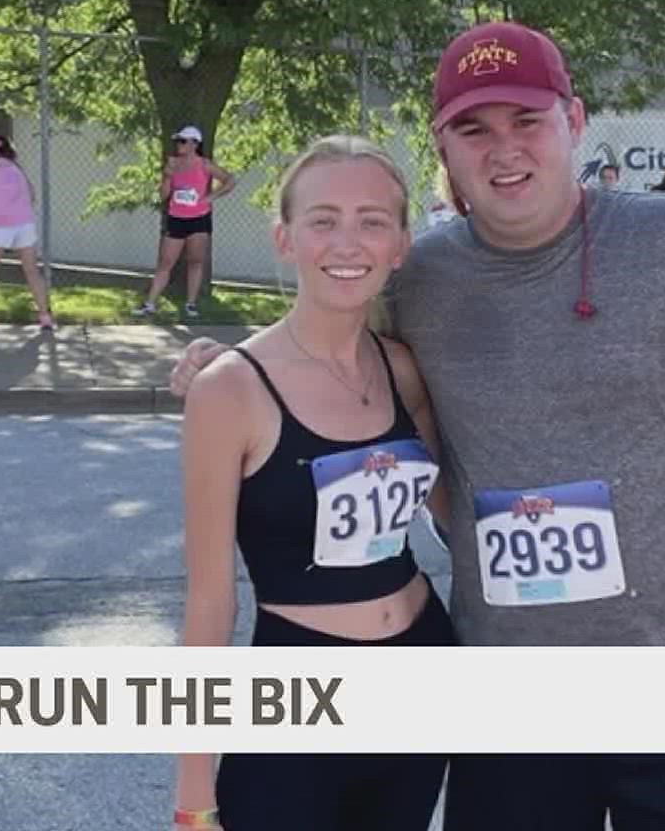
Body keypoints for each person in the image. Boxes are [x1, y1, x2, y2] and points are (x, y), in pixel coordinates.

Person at [173, 20, 665, 831]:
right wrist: (229, 366)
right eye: (474, 129)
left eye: (528, 121)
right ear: (444, 148)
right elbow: (329, 340)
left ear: (575, 121)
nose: (504, 150)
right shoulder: (420, 277)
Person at [174, 136, 455, 831]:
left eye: (372, 221)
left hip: (422, 672)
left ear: (400, 245)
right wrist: (192, 792)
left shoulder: (403, 368)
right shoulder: (229, 391)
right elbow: (210, 604)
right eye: (323, 219)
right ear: (284, 239)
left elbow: (453, 513)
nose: (347, 241)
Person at [135, 124, 236, 320]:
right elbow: (164, 195)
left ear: (194, 144)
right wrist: (167, 175)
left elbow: (230, 180)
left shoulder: (204, 164)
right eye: (177, 141)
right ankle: (150, 304)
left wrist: (210, 197)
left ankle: (190, 304)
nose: (178, 145)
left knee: (196, 261)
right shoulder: (173, 164)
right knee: (165, 262)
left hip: (199, 219)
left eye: (182, 141)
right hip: (176, 218)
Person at [0, 131, 54, 331]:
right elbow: (31, 195)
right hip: (24, 224)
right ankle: (45, 317)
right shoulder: (16, 168)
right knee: (32, 271)